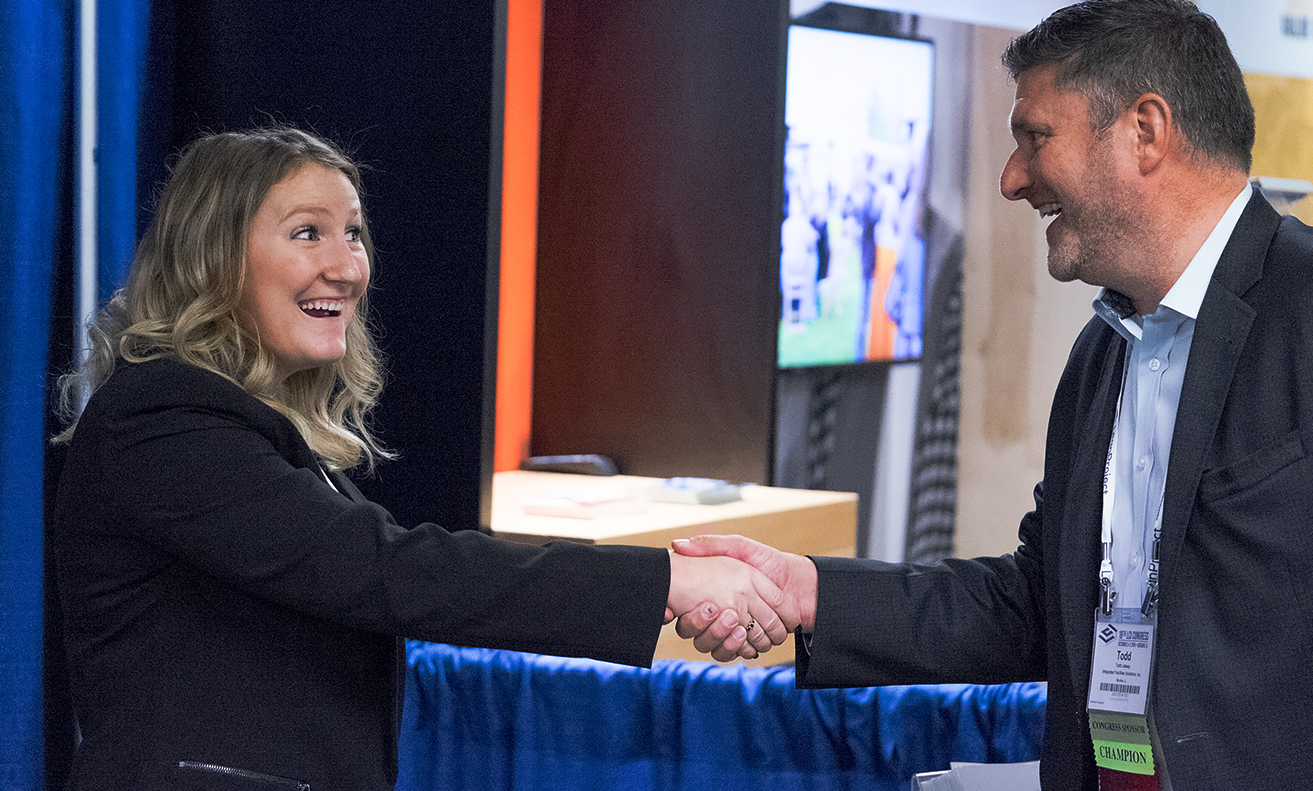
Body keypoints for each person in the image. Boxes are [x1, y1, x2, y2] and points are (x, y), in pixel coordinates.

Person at [674, 1, 1313, 789]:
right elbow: (1036, 603)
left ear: (1143, 131)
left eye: (1034, 137)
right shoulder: (1103, 352)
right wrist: (808, 591)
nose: (1011, 179)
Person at [52, 127, 794, 791]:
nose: (347, 267)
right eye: (308, 233)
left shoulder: (251, 432)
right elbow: (391, 570)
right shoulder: (164, 419)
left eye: (353, 234)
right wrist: (666, 581)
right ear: (211, 257)